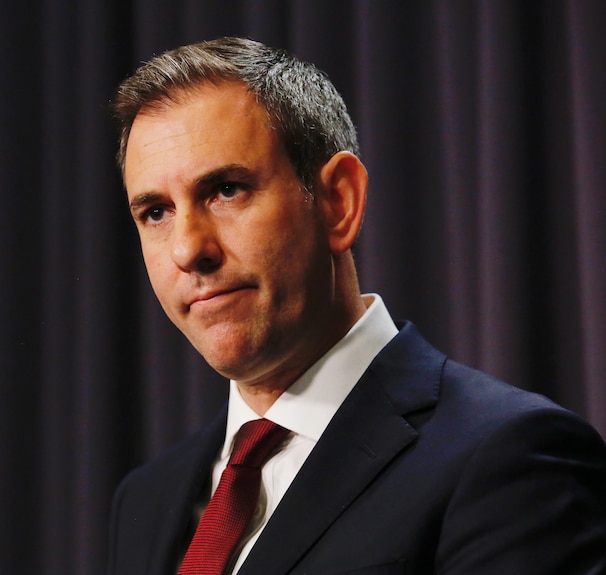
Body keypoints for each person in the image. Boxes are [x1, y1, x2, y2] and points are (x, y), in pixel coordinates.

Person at [107, 37, 606, 575]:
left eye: (227, 190)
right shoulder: (146, 499)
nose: (188, 249)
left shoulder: (510, 458)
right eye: (156, 212)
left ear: (338, 203)